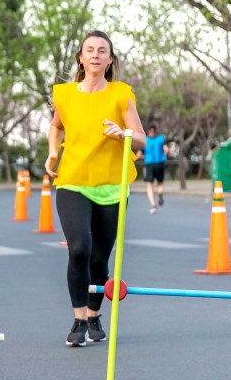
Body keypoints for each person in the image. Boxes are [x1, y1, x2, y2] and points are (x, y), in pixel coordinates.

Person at [44, 30, 145, 347]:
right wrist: (52, 151)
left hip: (112, 185)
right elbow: (56, 126)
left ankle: (94, 314)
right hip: (73, 180)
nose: (96, 54)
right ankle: (78, 320)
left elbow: (141, 138)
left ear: (110, 59)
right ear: (80, 57)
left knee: (100, 258)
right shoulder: (65, 94)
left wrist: (122, 132)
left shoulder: (120, 94)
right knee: (80, 250)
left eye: (103, 50)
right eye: (90, 49)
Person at [140, 125, 169, 214]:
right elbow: (166, 150)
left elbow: (138, 154)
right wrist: (164, 156)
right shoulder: (161, 138)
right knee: (160, 182)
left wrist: (144, 156)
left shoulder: (145, 140)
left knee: (149, 185)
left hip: (149, 164)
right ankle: (160, 193)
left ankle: (153, 205)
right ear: (156, 131)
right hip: (160, 163)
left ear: (148, 131)